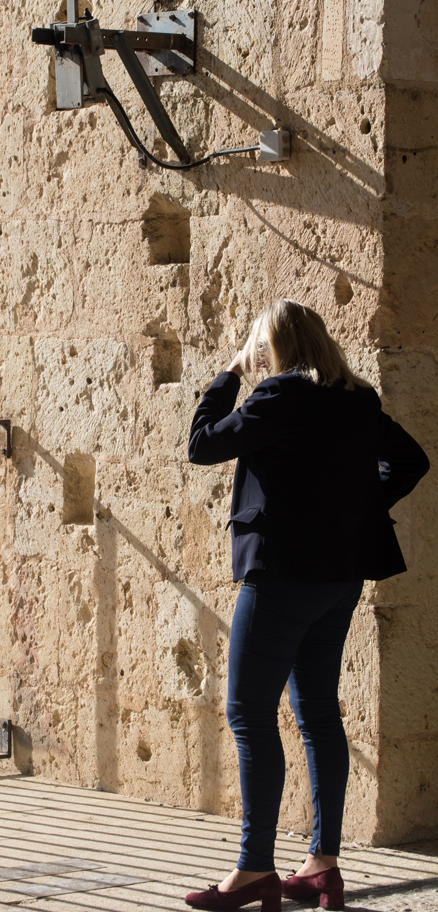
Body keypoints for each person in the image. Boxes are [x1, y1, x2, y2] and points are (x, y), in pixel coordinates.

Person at [183, 300, 429, 912]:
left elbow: (202, 444)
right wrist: (357, 507)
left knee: (248, 714)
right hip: (340, 580)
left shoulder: (278, 395)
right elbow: (412, 461)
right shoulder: (357, 398)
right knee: (318, 713)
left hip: (282, 579)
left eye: (260, 344)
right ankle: (322, 864)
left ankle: (254, 869)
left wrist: (229, 374)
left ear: (275, 347)